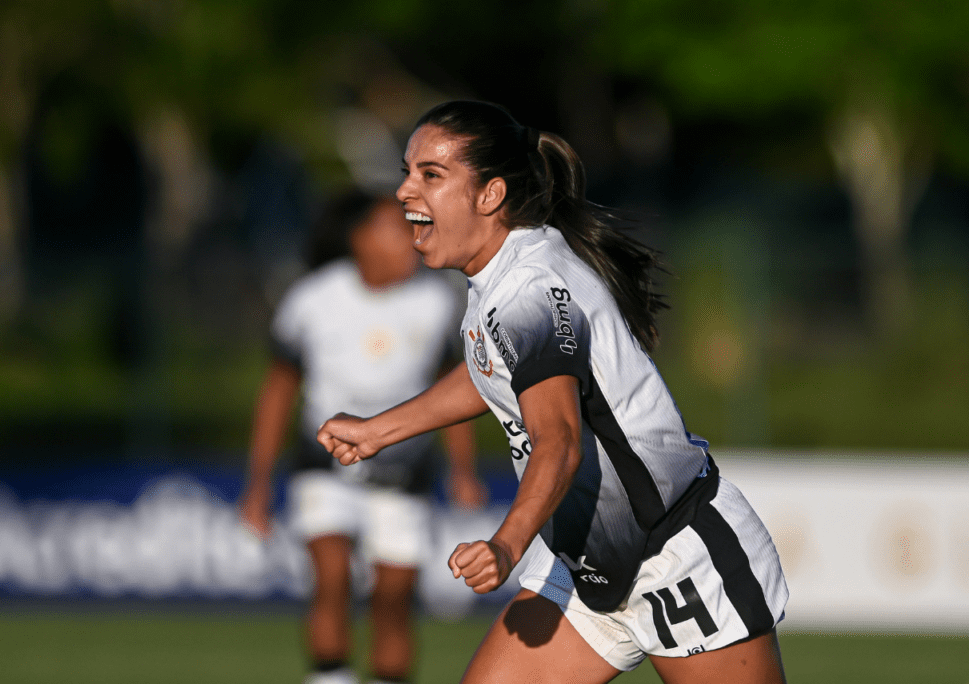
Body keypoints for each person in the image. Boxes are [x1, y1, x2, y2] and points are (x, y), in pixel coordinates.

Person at [316, 101, 789, 684]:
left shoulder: (528, 289)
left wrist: (505, 545)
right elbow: (495, 370)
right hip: (586, 568)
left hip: (676, 557)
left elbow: (558, 440)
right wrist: (378, 430)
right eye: (407, 172)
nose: (405, 192)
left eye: (430, 176)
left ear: (489, 196)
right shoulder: (503, 273)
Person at [239, 189, 487, 684]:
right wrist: (259, 482)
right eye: (396, 230)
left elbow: (455, 392)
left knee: (393, 599)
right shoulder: (312, 300)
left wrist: (463, 471)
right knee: (330, 579)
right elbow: (278, 392)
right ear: (360, 240)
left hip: (406, 466)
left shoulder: (436, 301)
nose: (412, 242)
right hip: (323, 462)